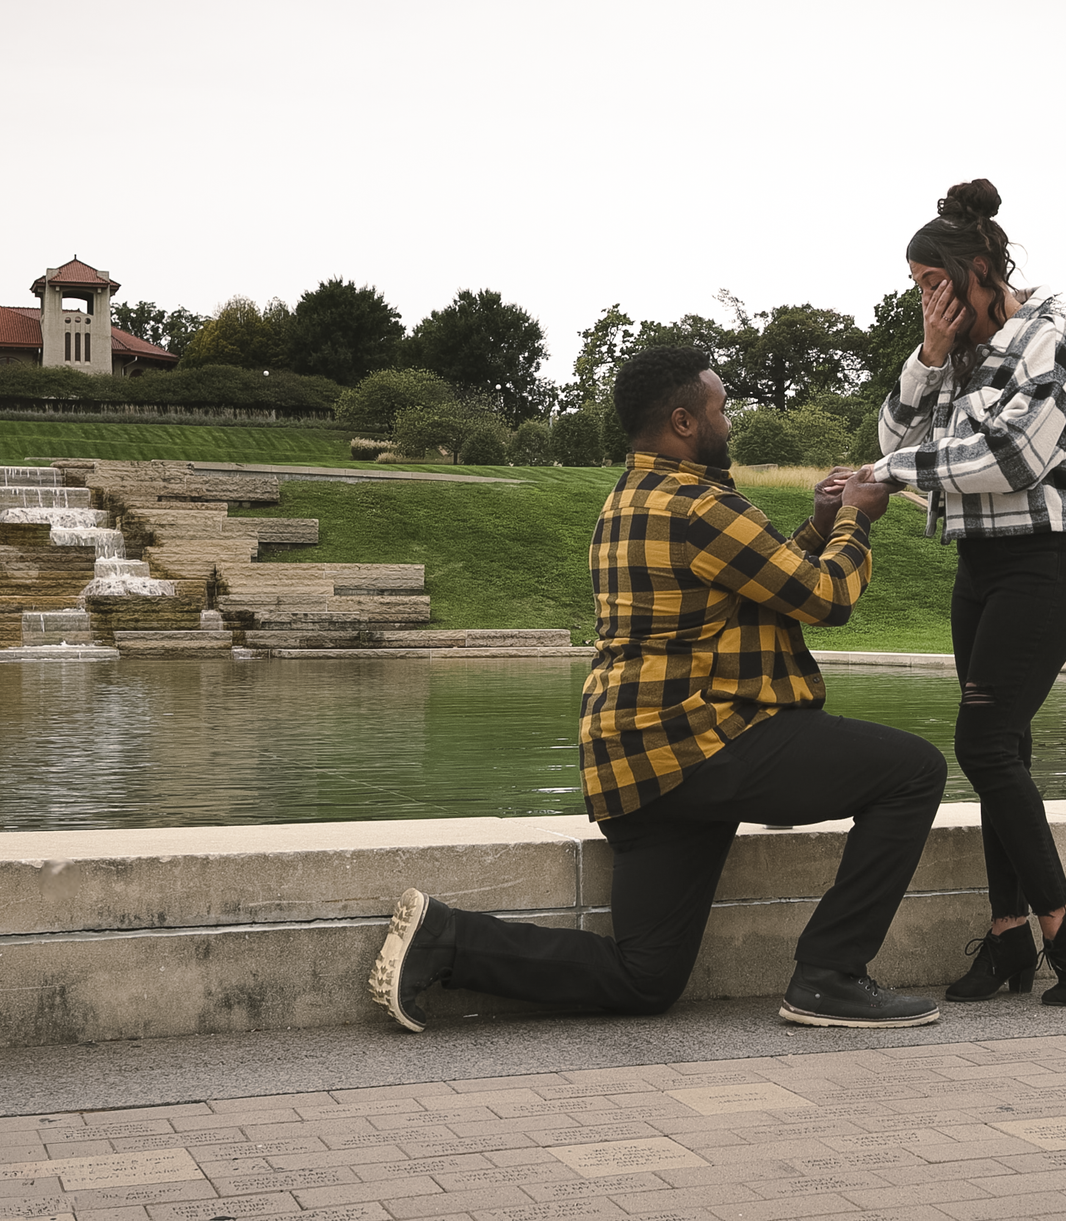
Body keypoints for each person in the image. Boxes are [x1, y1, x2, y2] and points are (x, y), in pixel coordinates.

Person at [368, 345, 950, 1031]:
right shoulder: (701, 506)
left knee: (645, 978)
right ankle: (830, 975)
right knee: (914, 772)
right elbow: (824, 596)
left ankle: (448, 940)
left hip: (633, 764)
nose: (729, 424)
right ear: (683, 422)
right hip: (700, 744)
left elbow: (759, 587)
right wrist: (857, 518)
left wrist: (821, 523)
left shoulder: (627, 499)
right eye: (721, 410)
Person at [854, 178, 1066, 1006]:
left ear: (978, 269)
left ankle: (1062, 924)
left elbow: (1009, 460)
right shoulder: (956, 354)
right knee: (1006, 749)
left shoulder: (1052, 340)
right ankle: (1009, 938)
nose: (928, 305)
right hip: (980, 567)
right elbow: (894, 434)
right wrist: (930, 360)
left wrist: (885, 474)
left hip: (1049, 563)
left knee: (982, 746)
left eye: (934, 286)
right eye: (916, 292)